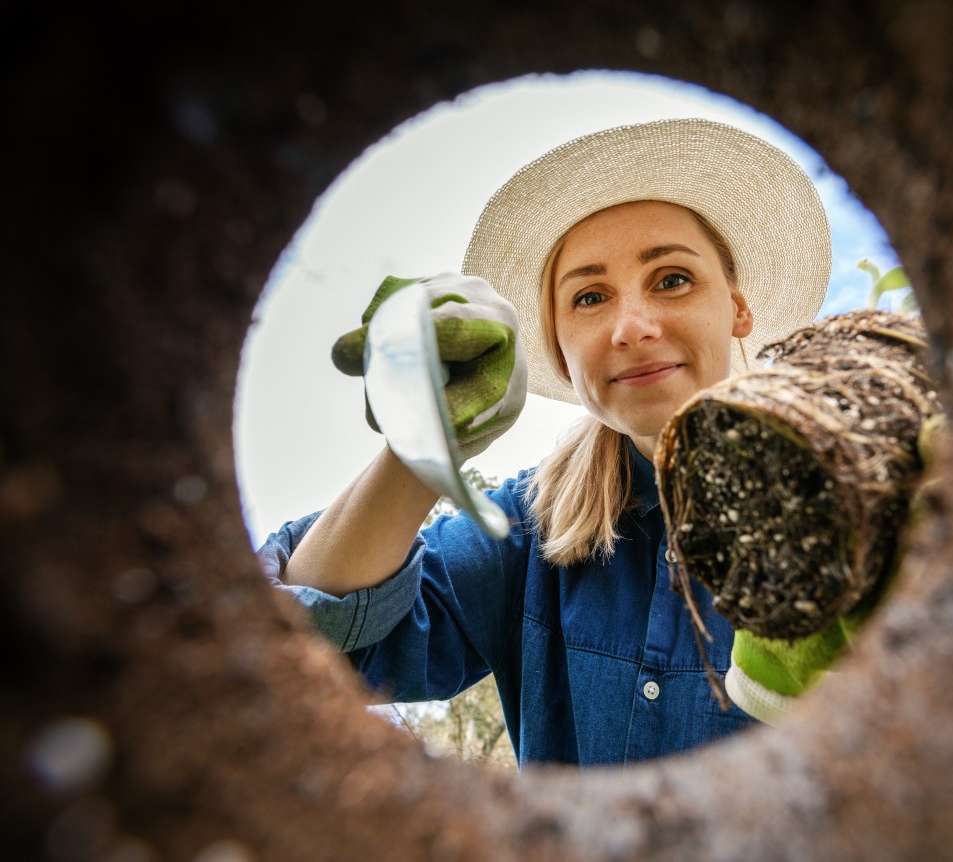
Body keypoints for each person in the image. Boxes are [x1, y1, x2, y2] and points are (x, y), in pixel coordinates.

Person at [257, 119, 832, 766]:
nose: (633, 327)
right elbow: (307, 650)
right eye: (589, 296)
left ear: (738, 307)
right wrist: (421, 450)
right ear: (557, 350)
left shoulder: (851, 499)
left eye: (671, 279)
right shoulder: (527, 531)